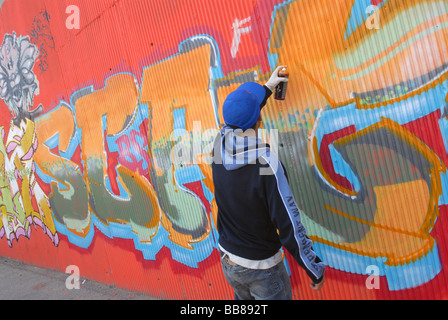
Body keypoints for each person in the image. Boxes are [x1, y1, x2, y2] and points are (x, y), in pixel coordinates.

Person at [212, 66, 325, 300]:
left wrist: (268, 88)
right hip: (262, 270)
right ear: (259, 120)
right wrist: (313, 268)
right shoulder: (267, 165)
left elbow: (242, 120)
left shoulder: (218, 147)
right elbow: (289, 225)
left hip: (229, 260)